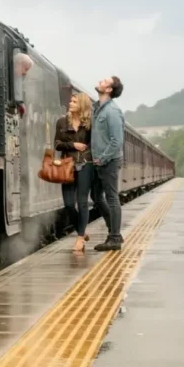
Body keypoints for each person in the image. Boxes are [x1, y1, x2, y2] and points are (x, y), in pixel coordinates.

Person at [55, 93, 95, 252]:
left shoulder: (91, 124)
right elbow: (57, 144)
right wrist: (74, 145)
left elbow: (94, 144)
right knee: (69, 204)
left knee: (83, 202)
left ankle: (79, 239)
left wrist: (87, 154)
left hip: (86, 164)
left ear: (82, 105)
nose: (70, 103)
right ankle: (82, 230)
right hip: (68, 165)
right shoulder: (61, 122)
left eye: (74, 101)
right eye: (70, 100)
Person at [91, 76, 125, 251]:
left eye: (104, 80)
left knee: (112, 198)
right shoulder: (97, 109)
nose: (100, 80)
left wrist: (102, 158)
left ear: (109, 89)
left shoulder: (112, 111)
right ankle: (114, 231)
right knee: (96, 197)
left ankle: (114, 237)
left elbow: (116, 140)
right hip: (100, 161)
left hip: (109, 161)